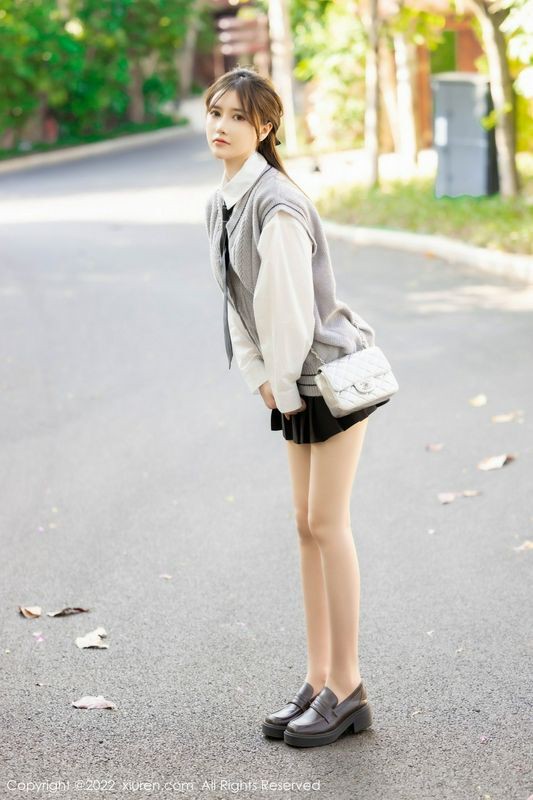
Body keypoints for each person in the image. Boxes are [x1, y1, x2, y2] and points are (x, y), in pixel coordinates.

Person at [203, 66, 390, 749]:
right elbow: (236, 303)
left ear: (265, 128)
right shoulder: (223, 201)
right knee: (305, 525)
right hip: (291, 381)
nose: (221, 126)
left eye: (237, 117)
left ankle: (348, 686)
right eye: (215, 112)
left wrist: (279, 388)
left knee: (327, 523)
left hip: (327, 377)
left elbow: (286, 313)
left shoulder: (277, 206)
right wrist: (264, 379)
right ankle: (318, 680)